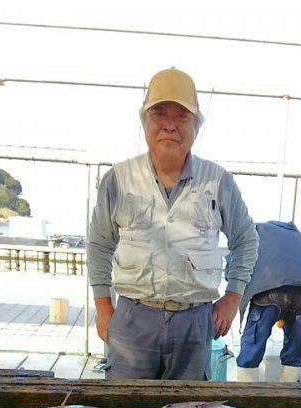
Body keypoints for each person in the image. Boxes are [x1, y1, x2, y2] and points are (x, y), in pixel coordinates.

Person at [87, 67, 258, 380]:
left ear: (196, 125)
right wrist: (102, 305)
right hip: (131, 319)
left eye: (182, 115)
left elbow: (246, 240)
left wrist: (233, 298)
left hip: (195, 321)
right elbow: (99, 244)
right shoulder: (118, 179)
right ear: (144, 122)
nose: (169, 125)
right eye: (159, 113)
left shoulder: (218, 181)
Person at [236, 220, 301, 382]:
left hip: (270, 291)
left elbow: (238, 260)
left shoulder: (258, 230)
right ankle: (288, 390)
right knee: (296, 344)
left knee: (254, 340)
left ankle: (245, 391)